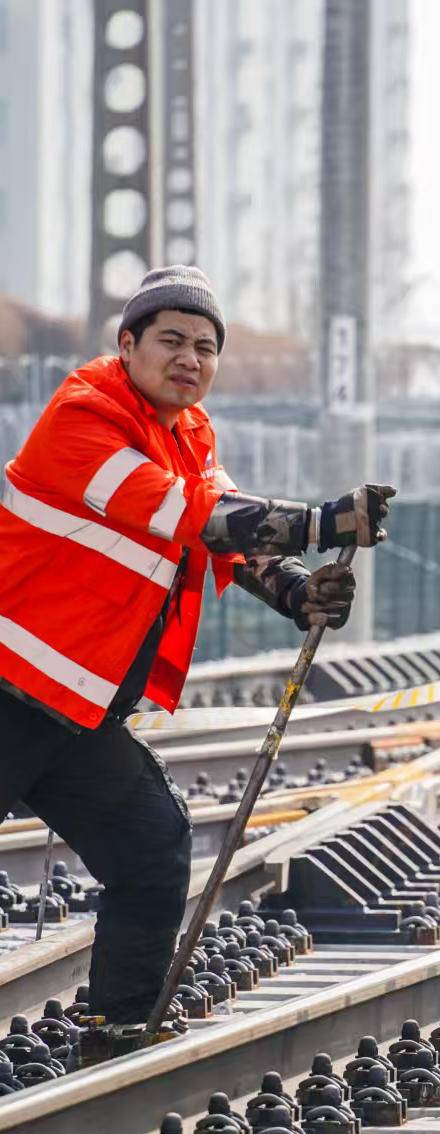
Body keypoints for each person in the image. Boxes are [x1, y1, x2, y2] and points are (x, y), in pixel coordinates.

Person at [0, 265, 394, 1055]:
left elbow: (232, 544)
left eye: (205, 347)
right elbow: (193, 516)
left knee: (151, 845)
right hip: (10, 694)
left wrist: (297, 592)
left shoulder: (189, 436)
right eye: (171, 340)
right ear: (127, 346)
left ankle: (119, 1032)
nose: (189, 359)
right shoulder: (84, 417)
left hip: (75, 712)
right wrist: (322, 522)